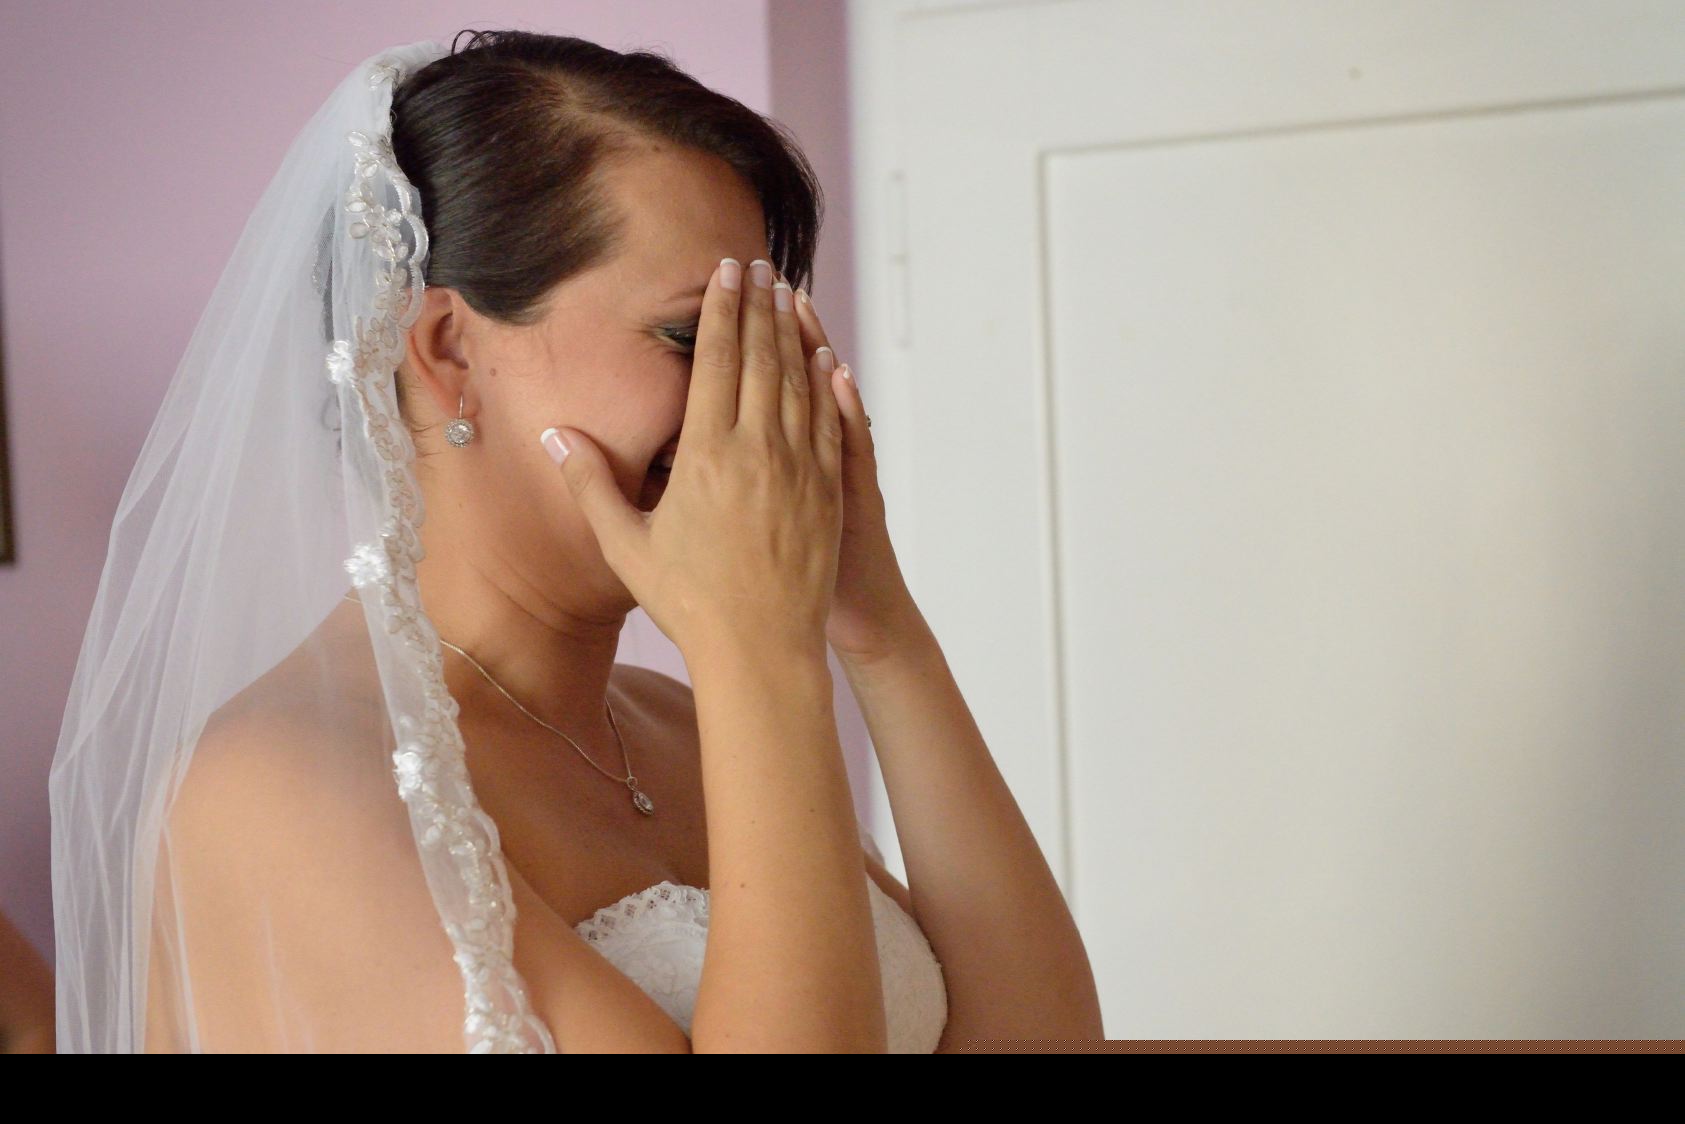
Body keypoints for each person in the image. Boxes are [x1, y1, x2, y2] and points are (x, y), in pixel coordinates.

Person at [50, 29, 1101, 1053]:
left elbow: (1038, 1039)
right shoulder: (273, 789)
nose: (757, 401)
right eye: (694, 336)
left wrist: (879, 633)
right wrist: (758, 648)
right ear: (448, 350)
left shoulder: (681, 722)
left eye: (770, 338)